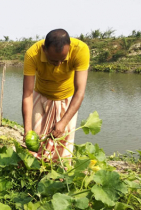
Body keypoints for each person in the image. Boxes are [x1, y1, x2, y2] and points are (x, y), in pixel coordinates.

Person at [22, 29, 90, 161]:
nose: (58, 64)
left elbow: (80, 91)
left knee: (63, 145)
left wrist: (64, 122)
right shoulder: (32, 54)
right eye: (53, 60)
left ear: (69, 48)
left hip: (67, 98)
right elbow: (27, 94)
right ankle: (37, 174)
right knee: (37, 141)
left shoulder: (80, 50)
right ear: (44, 49)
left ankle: (59, 177)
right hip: (41, 96)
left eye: (62, 60)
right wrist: (27, 130)